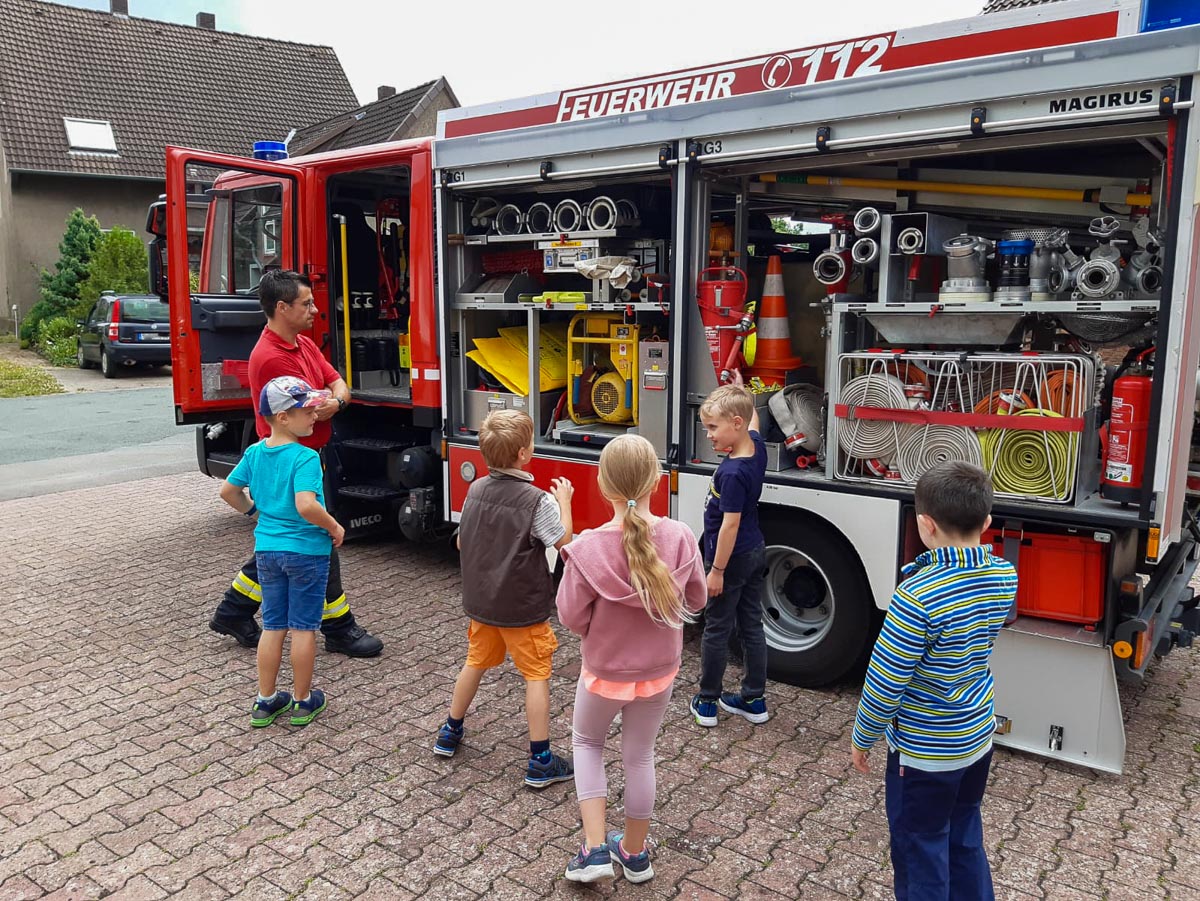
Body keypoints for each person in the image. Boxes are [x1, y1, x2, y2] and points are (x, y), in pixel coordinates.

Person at [850, 461, 1017, 901]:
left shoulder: (917, 596)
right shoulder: (1005, 575)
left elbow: (886, 681)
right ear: (986, 522)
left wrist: (863, 737)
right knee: (964, 835)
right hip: (976, 738)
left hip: (924, 754)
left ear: (925, 524)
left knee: (920, 849)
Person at [556, 435, 707, 884]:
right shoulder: (680, 537)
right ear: (656, 481)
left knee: (587, 744)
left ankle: (594, 850)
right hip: (659, 671)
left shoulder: (586, 548)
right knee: (640, 756)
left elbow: (569, 616)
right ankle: (635, 854)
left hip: (604, 672)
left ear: (603, 485)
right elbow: (697, 600)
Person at [208, 269, 383, 658]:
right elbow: (313, 407)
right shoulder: (270, 358)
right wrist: (331, 401)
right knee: (319, 538)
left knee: (280, 543)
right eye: (307, 303)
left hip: (304, 455)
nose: (315, 310)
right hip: (291, 461)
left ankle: (233, 611)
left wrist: (335, 400)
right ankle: (339, 628)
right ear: (282, 307)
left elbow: (337, 385)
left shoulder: (302, 343)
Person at [432, 409, 576, 790]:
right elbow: (563, 541)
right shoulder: (538, 501)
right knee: (536, 675)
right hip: (522, 609)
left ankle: (449, 731)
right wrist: (565, 501)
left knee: (474, 663)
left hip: (483, 606)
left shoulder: (475, 489)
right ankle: (541, 760)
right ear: (524, 454)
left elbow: (461, 543)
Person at [219, 376, 347, 728]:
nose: (315, 415)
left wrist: (254, 513)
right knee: (304, 628)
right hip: (306, 552)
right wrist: (333, 526)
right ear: (283, 417)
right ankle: (303, 700)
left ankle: (265, 700)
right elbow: (306, 505)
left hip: (268, 551)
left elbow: (228, 491)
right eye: (307, 411)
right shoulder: (305, 457)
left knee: (273, 626)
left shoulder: (254, 453)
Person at [689, 376, 770, 728]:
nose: (708, 435)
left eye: (712, 427)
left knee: (717, 628)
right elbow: (753, 420)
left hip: (731, 558)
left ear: (735, 424)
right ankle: (754, 699)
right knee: (752, 624)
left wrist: (717, 571)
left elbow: (729, 526)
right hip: (754, 550)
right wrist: (742, 390)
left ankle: (707, 701)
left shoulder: (734, 472)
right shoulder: (755, 446)